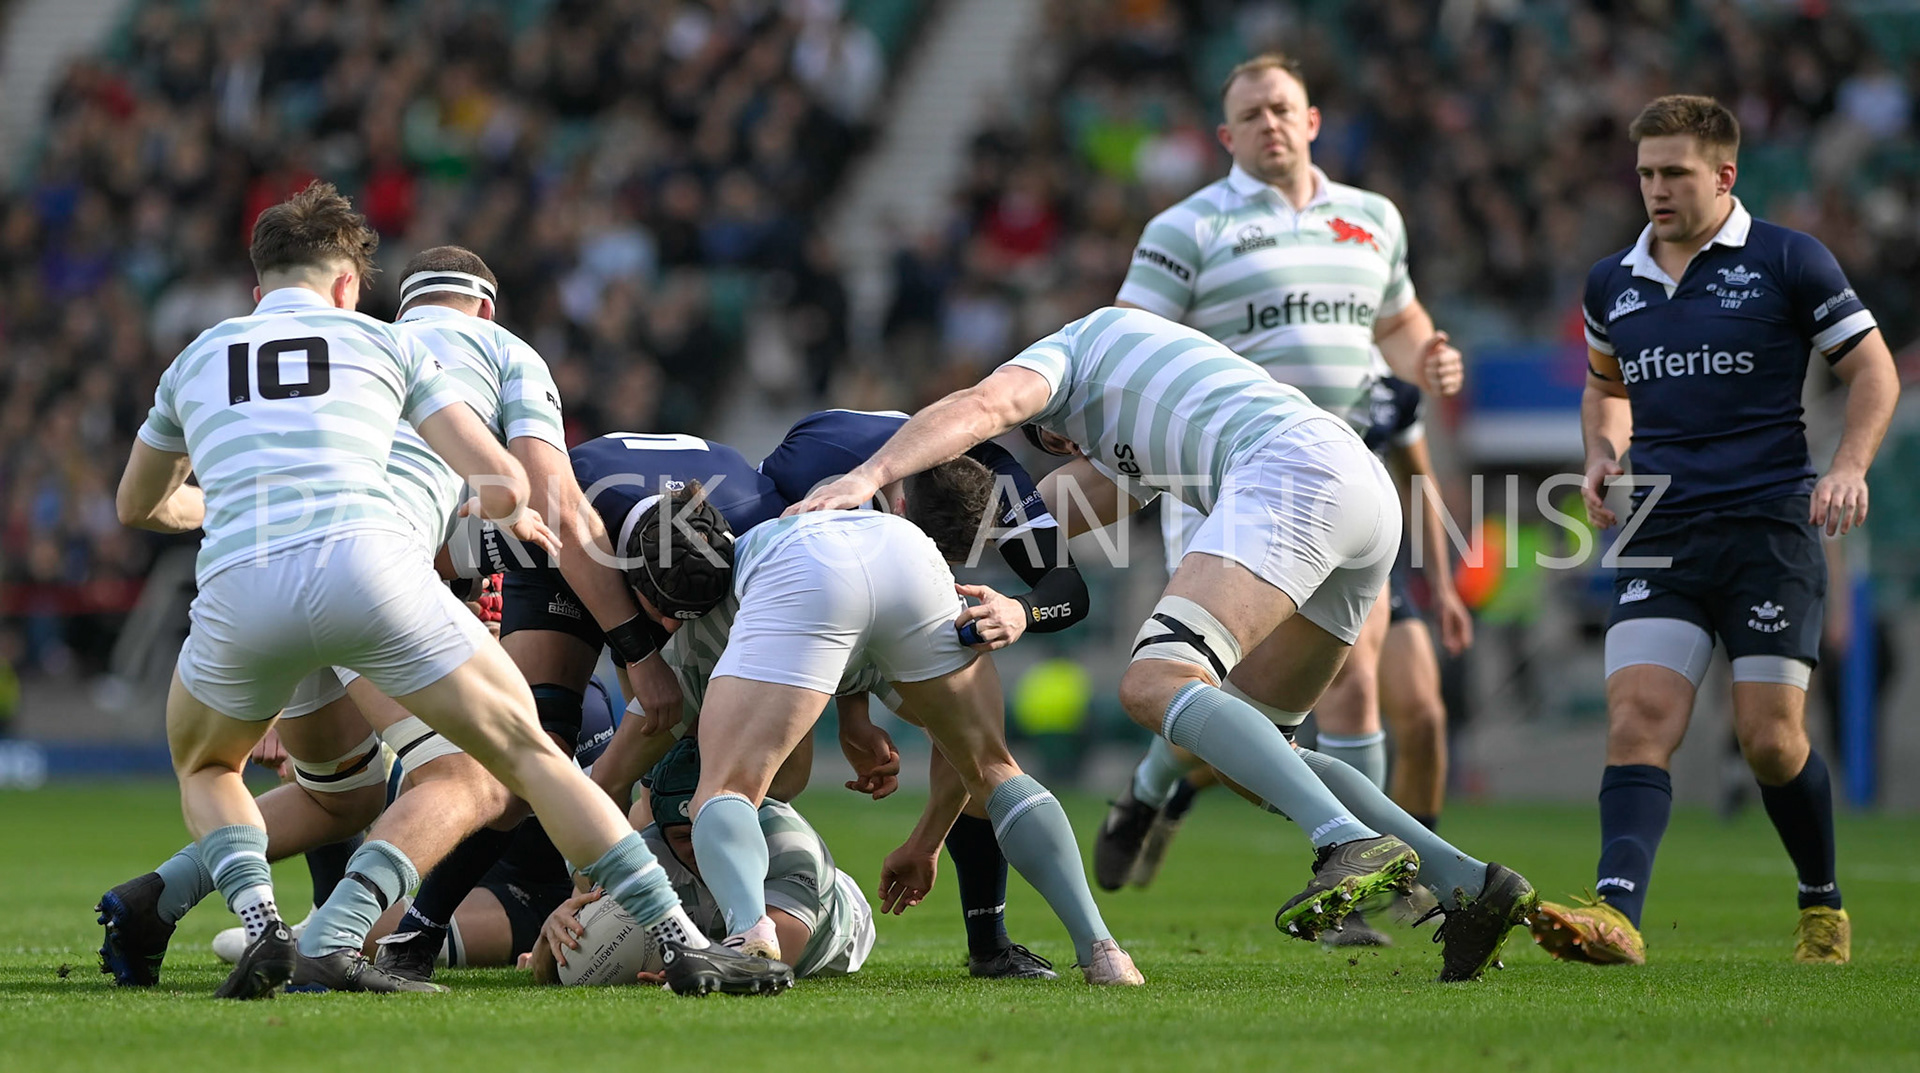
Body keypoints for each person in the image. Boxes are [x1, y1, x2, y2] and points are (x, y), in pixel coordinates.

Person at [101, 184, 787, 999]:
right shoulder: (408, 348)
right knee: (514, 763)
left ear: (258, 292)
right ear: (352, 288)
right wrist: (504, 520)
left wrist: (224, 504)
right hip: (378, 572)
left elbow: (136, 505)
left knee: (243, 771)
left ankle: (254, 922)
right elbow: (513, 484)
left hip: (241, 588)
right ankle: (677, 939)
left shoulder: (198, 354)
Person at [790, 305, 1535, 981]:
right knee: (1260, 758)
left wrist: (871, 475)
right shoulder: (1134, 438)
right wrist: (937, 558)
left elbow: (979, 408)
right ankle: (1467, 880)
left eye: (1052, 436)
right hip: (1357, 492)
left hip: (1294, 470)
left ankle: (1343, 840)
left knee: (1154, 682)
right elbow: (1041, 524)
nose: (1058, 445)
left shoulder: (1068, 354)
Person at [1531, 95, 1899, 967]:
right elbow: (1605, 385)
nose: (1656, 190)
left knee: (1770, 741)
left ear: (1724, 175)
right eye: (1647, 173)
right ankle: (1615, 914)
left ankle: (1821, 900)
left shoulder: (1787, 259)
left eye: (1675, 174)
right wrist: (1600, 451)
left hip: (1770, 526)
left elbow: (1873, 368)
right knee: (1639, 718)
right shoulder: (1610, 281)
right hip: (1664, 527)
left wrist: (1848, 466)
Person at [1096, 52, 1465, 912]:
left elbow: (1401, 324)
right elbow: (1128, 344)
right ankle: (1154, 788)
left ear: (1311, 121)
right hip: (1234, 477)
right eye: (1251, 114)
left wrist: (1430, 356)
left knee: (1355, 680)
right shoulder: (1188, 228)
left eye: (1282, 108)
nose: (1270, 123)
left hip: (1342, 480)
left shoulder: (1372, 219)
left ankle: (1357, 891)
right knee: (1227, 698)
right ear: (1227, 136)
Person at [666, 481, 1144, 986]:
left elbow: (653, 747)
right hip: (909, 556)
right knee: (995, 768)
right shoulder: (894, 502)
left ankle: (749, 939)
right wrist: (925, 842)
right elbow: (942, 735)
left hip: (804, 567)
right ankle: (1104, 952)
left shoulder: (730, 575)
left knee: (727, 788)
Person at [1117, 376, 1476, 951]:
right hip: (1269, 531)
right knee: (1222, 710)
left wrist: (1444, 583)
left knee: (1414, 714)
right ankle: (1153, 787)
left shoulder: (1389, 390)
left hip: (1362, 539)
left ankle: (1399, 878)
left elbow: (1420, 478)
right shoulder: (1255, 372)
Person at [758, 407, 1089, 978]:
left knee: (975, 726)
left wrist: (1021, 611)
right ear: (899, 507)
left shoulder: (992, 474)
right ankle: (721, 912)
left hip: (856, 571)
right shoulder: (813, 471)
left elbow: (1069, 590)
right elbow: (807, 598)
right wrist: (850, 710)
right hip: (802, 586)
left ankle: (988, 942)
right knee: (779, 770)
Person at [530, 738, 875, 984]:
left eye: (706, 831)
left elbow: (768, 959)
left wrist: (693, 964)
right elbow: (549, 969)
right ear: (662, 833)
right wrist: (551, 939)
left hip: (841, 929)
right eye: (683, 837)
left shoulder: (788, 844)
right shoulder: (648, 853)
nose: (699, 846)